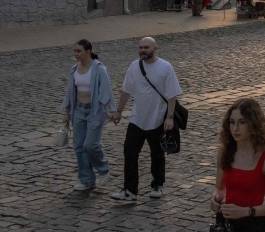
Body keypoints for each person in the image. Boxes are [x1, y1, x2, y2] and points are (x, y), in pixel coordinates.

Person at [109, 36, 182, 201]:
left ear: (155, 49)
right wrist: (119, 111)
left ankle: (157, 184)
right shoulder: (134, 66)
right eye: (140, 47)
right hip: (137, 119)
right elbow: (126, 90)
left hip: (157, 119)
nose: (143, 50)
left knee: (157, 153)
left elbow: (172, 95)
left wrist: (169, 118)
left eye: (146, 47)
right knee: (129, 153)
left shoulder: (165, 67)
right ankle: (130, 190)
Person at [210, 98, 265, 230]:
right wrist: (216, 198)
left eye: (242, 122)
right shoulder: (225, 152)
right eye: (232, 122)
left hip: (253, 225)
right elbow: (219, 188)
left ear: (254, 124)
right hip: (226, 222)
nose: (235, 128)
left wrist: (245, 212)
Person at [61, 39, 116, 191]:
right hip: (78, 110)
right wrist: (67, 113)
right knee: (79, 146)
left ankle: (103, 168)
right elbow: (70, 93)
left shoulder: (99, 69)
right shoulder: (74, 69)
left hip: (94, 110)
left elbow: (106, 91)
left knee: (90, 145)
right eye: (74, 51)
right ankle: (86, 180)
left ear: (88, 51)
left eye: (79, 51)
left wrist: (110, 111)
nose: (76, 54)